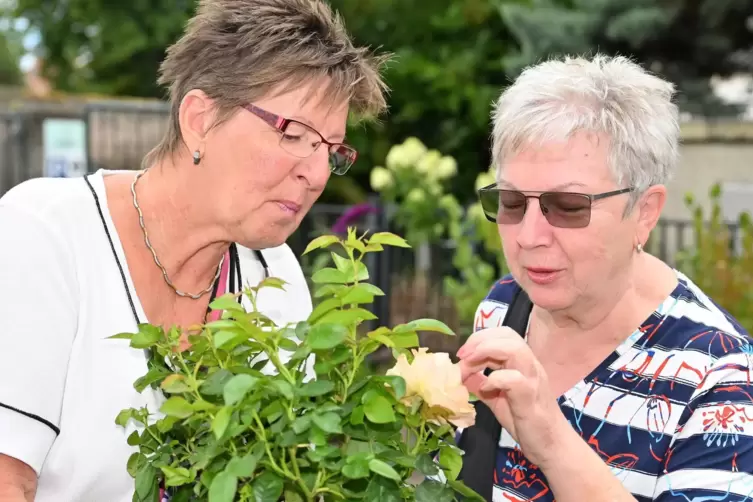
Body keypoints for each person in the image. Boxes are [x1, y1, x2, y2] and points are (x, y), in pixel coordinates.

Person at [0, 1, 388, 501]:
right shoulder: (46, 234)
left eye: (331, 151)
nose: (315, 175)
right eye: (294, 135)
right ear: (200, 119)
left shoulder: (276, 277)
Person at [456, 54, 753, 502]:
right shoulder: (503, 308)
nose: (530, 236)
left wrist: (553, 443)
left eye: (570, 207)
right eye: (512, 202)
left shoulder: (719, 378)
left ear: (645, 212)